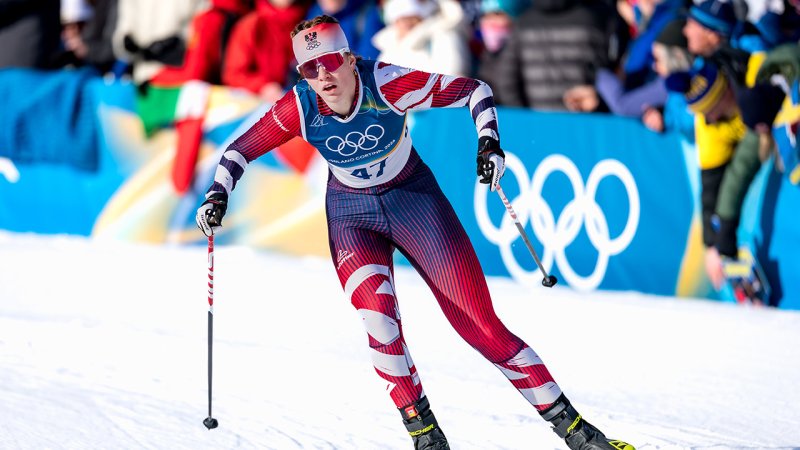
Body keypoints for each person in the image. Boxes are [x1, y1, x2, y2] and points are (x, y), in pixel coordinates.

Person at [195, 15, 634, 450]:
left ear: (349, 57)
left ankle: (580, 436)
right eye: (310, 68)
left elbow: (474, 91)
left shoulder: (386, 83)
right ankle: (426, 440)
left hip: (413, 201)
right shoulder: (299, 106)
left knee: (481, 326)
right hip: (352, 216)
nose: (322, 76)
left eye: (329, 61)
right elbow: (238, 150)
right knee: (380, 325)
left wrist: (490, 143)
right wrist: (217, 195)